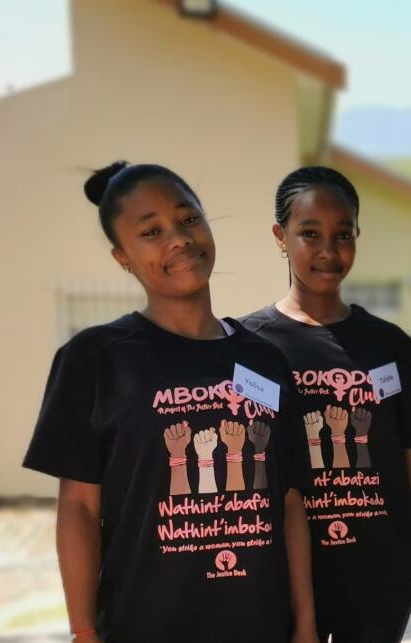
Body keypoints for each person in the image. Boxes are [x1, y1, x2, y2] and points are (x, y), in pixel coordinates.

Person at [24, 161, 318, 643]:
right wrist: (82, 632)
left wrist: (304, 625)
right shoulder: (94, 359)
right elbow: (78, 506)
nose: (178, 239)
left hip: (260, 625)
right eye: (151, 231)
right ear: (122, 257)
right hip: (145, 625)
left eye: (187, 219)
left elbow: (289, 502)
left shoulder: (264, 359)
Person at [242, 167, 411, 643]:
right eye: (309, 233)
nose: (327, 251)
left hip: (380, 589)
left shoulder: (390, 346)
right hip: (284, 593)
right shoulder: (247, 350)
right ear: (281, 236)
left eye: (343, 235)